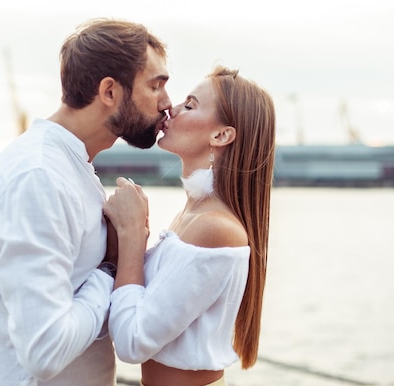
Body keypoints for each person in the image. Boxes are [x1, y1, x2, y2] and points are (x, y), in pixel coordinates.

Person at [0, 18, 171, 386]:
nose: (168, 103)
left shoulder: (69, 167)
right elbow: (45, 350)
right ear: (109, 91)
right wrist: (110, 267)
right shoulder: (39, 177)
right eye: (156, 86)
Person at [103, 66, 276, 386]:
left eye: (191, 105)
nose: (171, 108)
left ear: (221, 135)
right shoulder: (192, 216)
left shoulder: (214, 228)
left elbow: (132, 342)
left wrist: (131, 236)